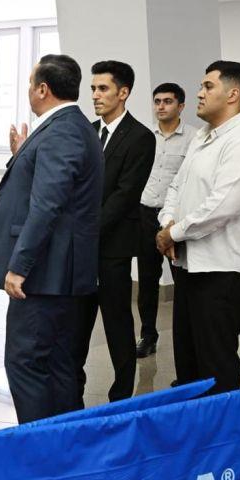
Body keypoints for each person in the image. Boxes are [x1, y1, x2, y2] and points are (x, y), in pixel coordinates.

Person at [0, 54, 103, 423]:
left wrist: (19, 266)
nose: (28, 90)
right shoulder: (70, 126)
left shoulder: (61, 131)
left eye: (30, 84)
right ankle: (64, 442)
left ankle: (39, 445)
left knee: (26, 361)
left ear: (43, 89)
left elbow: (46, 206)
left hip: (46, 274)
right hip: (61, 272)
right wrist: (23, 154)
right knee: (58, 363)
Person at [156, 60, 240, 395]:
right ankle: (196, 425)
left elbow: (224, 205)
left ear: (232, 95)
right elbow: (176, 186)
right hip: (190, 265)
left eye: (208, 86)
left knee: (216, 367)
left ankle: (222, 428)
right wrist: (166, 221)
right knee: (188, 365)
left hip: (224, 271)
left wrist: (173, 233)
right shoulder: (202, 137)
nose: (199, 93)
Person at [74, 60, 155, 404]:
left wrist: (86, 230)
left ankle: (121, 396)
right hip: (80, 248)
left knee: (117, 323)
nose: (95, 95)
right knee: (77, 324)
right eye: (93, 88)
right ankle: (73, 392)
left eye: (103, 88)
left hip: (113, 248)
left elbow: (126, 194)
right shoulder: (87, 131)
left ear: (123, 93)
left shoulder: (140, 137)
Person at [136, 83, 197, 358]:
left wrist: (174, 223)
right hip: (145, 215)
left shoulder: (194, 139)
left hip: (176, 220)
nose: (161, 106)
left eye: (168, 101)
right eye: (157, 101)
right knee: (147, 280)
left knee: (182, 282)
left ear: (180, 106)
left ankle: (187, 341)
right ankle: (148, 336)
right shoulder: (145, 137)